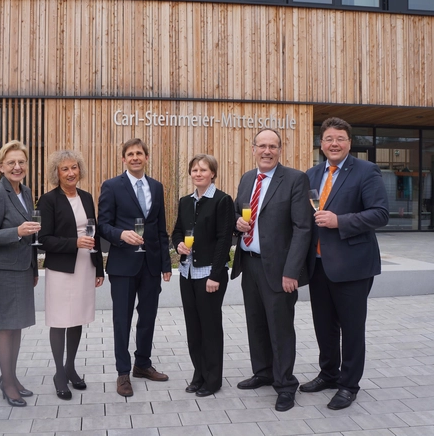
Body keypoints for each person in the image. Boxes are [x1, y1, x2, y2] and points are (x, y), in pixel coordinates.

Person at [300, 117, 388, 410]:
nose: (334, 144)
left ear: (349, 143)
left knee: (351, 329)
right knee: (323, 326)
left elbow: (380, 214)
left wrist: (341, 221)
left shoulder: (366, 171)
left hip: (353, 266)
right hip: (318, 264)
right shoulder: (311, 174)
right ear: (321, 144)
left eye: (340, 138)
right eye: (328, 139)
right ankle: (328, 374)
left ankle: (349, 385)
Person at [230, 128, 312, 413]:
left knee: (280, 329)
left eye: (272, 146)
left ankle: (285, 384)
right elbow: (238, 213)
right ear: (253, 148)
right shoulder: (247, 178)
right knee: (256, 324)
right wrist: (236, 225)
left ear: (280, 150)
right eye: (262, 145)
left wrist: (292, 272)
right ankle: (263, 372)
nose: (267, 151)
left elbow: (303, 228)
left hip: (279, 270)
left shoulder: (294, 179)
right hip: (249, 263)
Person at [98, 138, 172, 397]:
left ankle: (142, 364)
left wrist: (166, 263)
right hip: (123, 265)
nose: (135, 157)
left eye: (139, 153)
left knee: (148, 317)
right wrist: (121, 235)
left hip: (151, 264)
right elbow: (102, 225)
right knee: (122, 319)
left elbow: (161, 229)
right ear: (123, 159)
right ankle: (122, 372)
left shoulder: (157, 187)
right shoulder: (111, 186)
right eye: (130, 154)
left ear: (146, 157)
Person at [37, 150, 105, 400]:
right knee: (60, 320)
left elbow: (94, 234)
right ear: (57, 173)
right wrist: (74, 243)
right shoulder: (48, 200)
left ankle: (71, 367)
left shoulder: (87, 197)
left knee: (77, 318)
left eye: (74, 167)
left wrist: (99, 267)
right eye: (64, 169)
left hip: (86, 265)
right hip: (61, 269)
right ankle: (58, 373)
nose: (71, 173)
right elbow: (43, 240)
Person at [0, 140, 40, 407]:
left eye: (22, 162)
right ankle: (7, 383)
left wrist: (34, 268)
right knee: (7, 327)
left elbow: (32, 233)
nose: (17, 167)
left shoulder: (25, 191)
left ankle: (11, 378)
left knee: (17, 327)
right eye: (12, 163)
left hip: (23, 268)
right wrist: (16, 232)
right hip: (3, 271)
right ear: (0, 167)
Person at [171, 154, 234, 398]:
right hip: (187, 274)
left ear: (213, 174)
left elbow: (224, 240)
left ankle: (213, 379)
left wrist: (215, 275)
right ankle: (199, 374)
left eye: (203, 170)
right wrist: (178, 245)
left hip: (209, 274)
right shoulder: (185, 201)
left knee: (210, 328)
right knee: (193, 328)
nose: (198, 173)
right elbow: (176, 232)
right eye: (195, 170)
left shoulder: (222, 200)